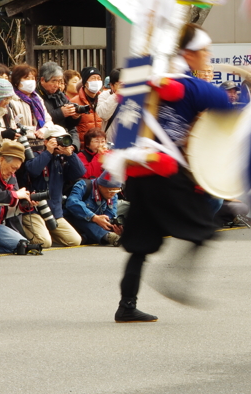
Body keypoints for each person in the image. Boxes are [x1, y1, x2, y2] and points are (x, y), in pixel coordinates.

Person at [115, 23, 237, 324]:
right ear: (189, 54)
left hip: (139, 173)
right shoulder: (190, 86)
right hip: (165, 173)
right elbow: (227, 109)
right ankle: (174, 276)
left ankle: (126, 306)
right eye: (204, 51)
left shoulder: (139, 82)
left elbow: (123, 129)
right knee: (206, 226)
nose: (207, 56)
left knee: (141, 245)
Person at [19, 126, 84, 248]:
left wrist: (71, 155)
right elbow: (33, 170)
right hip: (34, 210)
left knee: (74, 240)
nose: (61, 143)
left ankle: (46, 231)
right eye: (57, 140)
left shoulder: (61, 160)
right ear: (45, 141)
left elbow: (79, 172)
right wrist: (48, 151)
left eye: (64, 140)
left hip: (54, 212)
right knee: (45, 243)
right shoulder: (35, 155)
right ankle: (23, 233)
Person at [66, 172, 122, 245]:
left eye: (116, 191)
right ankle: (106, 236)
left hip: (95, 226)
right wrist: (94, 217)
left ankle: (88, 238)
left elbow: (110, 214)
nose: (113, 194)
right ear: (100, 186)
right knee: (81, 217)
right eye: (111, 190)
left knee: (112, 224)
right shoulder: (83, 185)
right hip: (76, 220)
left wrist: (111, 226)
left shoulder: (113, 195)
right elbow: (71, 202)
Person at [37, 61, 82, 147]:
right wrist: (61, 113)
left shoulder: (60, 94)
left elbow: (71, 126)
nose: (57, 85)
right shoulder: (35, 97)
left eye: (59, 81)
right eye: (53, 81)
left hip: (67, 141)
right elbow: (42, 121)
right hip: (49, 144)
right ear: (42, 80)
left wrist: (75, 116)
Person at [8, 64, 52, 144]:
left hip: (41, 141)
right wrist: (35, 131)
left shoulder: (37, 98)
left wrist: (44, 129)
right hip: (21, 143)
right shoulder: (11, 100)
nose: (31, 81)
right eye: (27, 78)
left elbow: (48, 120)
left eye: (33, 78)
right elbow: (12, 125)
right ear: (16, 82)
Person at [71, 67, 116, 143]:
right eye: (93, 78)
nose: (97, 81)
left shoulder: (105, 99)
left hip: (101, 146)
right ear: (85, 83)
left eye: (99, 78)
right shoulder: (74, 101)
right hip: (84, 147)